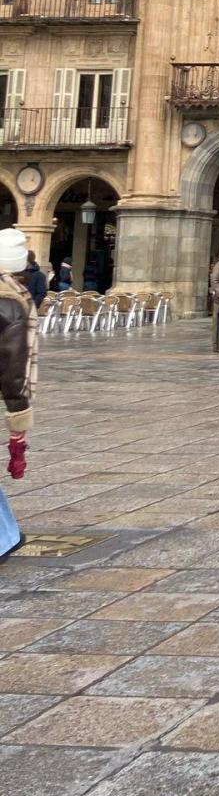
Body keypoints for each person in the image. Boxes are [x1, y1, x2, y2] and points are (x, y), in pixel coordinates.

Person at [0, 228, 38, 561]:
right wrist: (18, 417)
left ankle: (7, 535)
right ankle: (4, 539)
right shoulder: (11, 301)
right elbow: (13, 368)